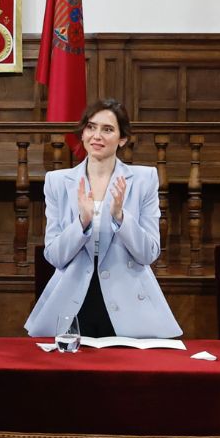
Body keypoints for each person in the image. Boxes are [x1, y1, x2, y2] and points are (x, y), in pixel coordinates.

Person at [24, 98, 180, 339]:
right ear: (83, 132)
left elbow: (149, 253)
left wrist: (120, 217)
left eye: (107, 129)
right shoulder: (57, 181)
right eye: (91, 127)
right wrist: (82, 222)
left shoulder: (144, 179)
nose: (97, 136)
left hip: (129, 302)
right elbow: (54, 256)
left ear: (122, 139)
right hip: (73, 302)